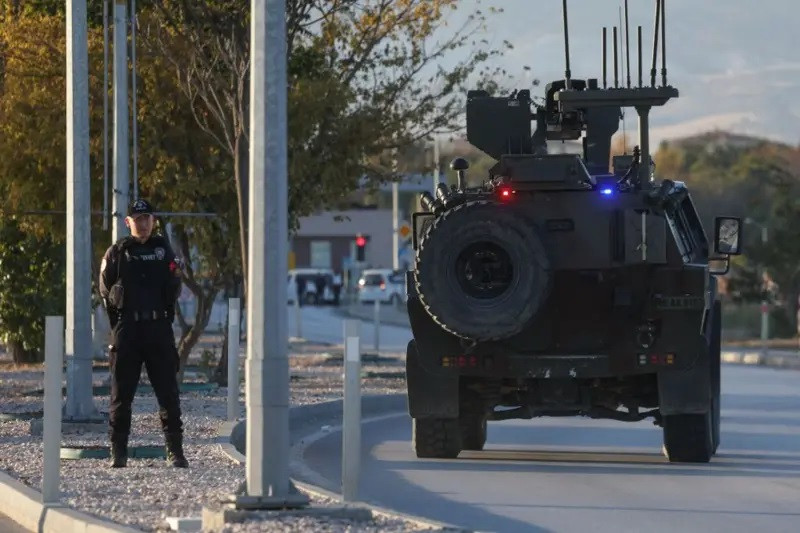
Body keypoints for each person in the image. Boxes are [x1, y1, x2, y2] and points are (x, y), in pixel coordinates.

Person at [99, 199, 188, 468]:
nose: (143, 223)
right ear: (128, 223)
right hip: (128, 331)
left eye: (147, 218)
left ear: (154, 220)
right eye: (137, 219)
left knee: (168, 393)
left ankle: (175, 452)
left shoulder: (164, 250)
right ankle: (118, 452)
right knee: (120, 395)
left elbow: (174, 290)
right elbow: (105, 292)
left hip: (158, 329)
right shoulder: (117, 252)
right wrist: (119, 327)